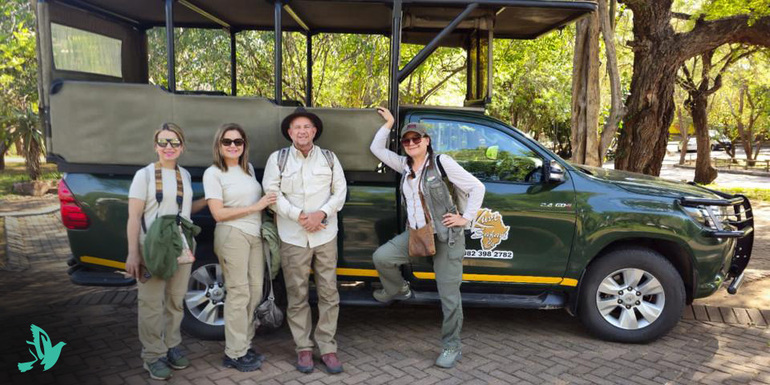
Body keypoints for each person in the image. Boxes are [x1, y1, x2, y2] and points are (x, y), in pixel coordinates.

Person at [369, 107, 485, 369]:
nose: (411, 144)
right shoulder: (404, 165)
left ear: (427, 142)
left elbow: (477, 187)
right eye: (406, 141)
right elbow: (377, 149)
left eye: (416, 139)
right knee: (383, 257)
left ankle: (451, 346)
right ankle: (397, 289)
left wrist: (466, 218)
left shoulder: (443, 162)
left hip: (447, 237)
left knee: (449, 296)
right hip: (417, 234)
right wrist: (389, 123)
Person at [261, 107, 347, 374]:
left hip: (324, 235)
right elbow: (271, 194)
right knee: (297, 294)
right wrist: (300, 216)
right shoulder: (279, 159)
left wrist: (320, 213)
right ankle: (304, 349)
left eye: (307, 126)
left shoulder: (330, 159)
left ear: (314, 131)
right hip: (293, 236)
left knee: (328, 293)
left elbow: (340, 192)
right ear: (289, 132)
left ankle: (328, 348)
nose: (302, 131)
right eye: (297, 127)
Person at [126, 122, 207, 380]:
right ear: (155, 146)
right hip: (153, 247)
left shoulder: (183, 175)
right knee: (151, 304)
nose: (168, 147)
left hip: (181, 246)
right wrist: (133, 253)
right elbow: (133, 216)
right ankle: (153, 356)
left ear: (182, 147)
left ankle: (171, 347)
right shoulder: (145, 175)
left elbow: (183, 212)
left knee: (175, 301)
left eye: (174, 142)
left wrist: (210, 200)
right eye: (163, 142)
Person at [203, 123, 277, 372]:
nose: (233, 146)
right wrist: (255, 207)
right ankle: (233, 353)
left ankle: (244, 345)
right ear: (219, 145)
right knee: (238, 294)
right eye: (227, 141)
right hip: (232, 234)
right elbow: (218, 213)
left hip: (255, 235)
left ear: (244, 145)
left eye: (238, 141)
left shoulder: (249, 169)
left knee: (255, 292)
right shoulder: (213, 173)